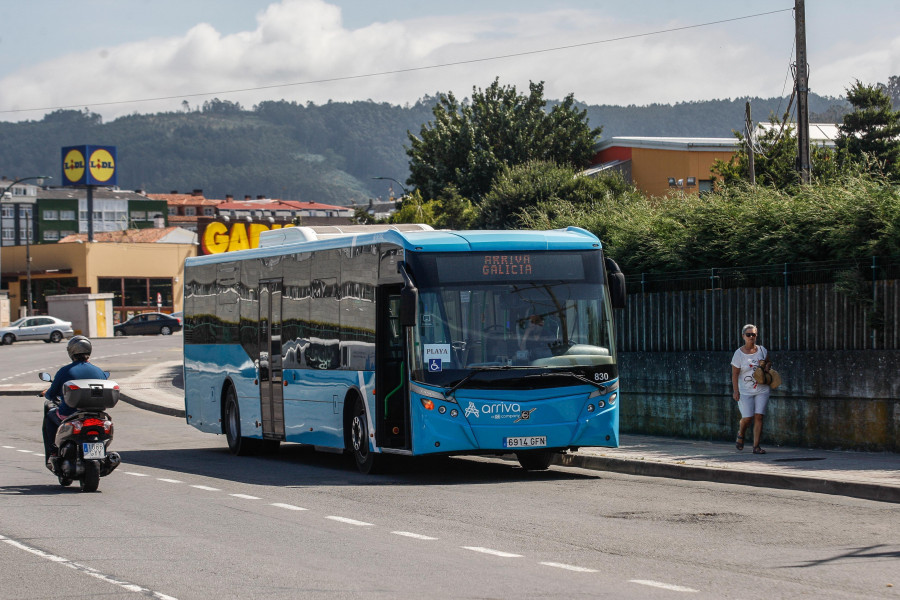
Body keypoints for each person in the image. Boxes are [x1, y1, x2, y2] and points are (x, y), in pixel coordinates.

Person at [42, 335, 108, 466]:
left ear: (71, 351)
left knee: (50, 414)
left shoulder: (65, 371)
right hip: (97, 415)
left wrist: (46, 393)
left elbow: (51, 394)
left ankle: (53, 452)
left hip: (70, 415)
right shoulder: (99, 371)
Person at [731, 324, 772, 454]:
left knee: (759, 416)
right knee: (747, 418)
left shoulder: (762, 350)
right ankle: (741, 432)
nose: (751, 337)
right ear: (743, 336)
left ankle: (756, 446)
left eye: (753, 334)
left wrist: (766, 366)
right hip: (745, 390)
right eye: (748, 335)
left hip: (762, 389)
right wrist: (736, 391)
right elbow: (735, 374)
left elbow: (768, 363)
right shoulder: (739, 354)